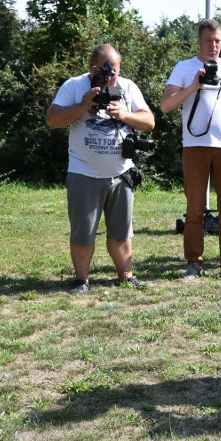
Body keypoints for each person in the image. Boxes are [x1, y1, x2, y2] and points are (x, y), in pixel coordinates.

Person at [47, 43, 155, 295]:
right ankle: (81, 281)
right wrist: (84, 105)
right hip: (84, 173)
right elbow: (52, 120)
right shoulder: (74, 86)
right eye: (103, 71)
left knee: (121, 232)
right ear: (90, 67)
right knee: (83, 232)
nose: (109, 77)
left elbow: (149, 121)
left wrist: (124, 115)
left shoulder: (127, 87)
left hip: (120, 173)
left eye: (114, 71)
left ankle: (126, 276)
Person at [161, 19, 221, 280]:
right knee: (194, 209)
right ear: (199, 41)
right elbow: (165, 105)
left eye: (217, 41)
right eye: (208, 40)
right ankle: (194, 262)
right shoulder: (184, 68)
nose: (213, 45)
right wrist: (194, 85)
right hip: (194, 146)